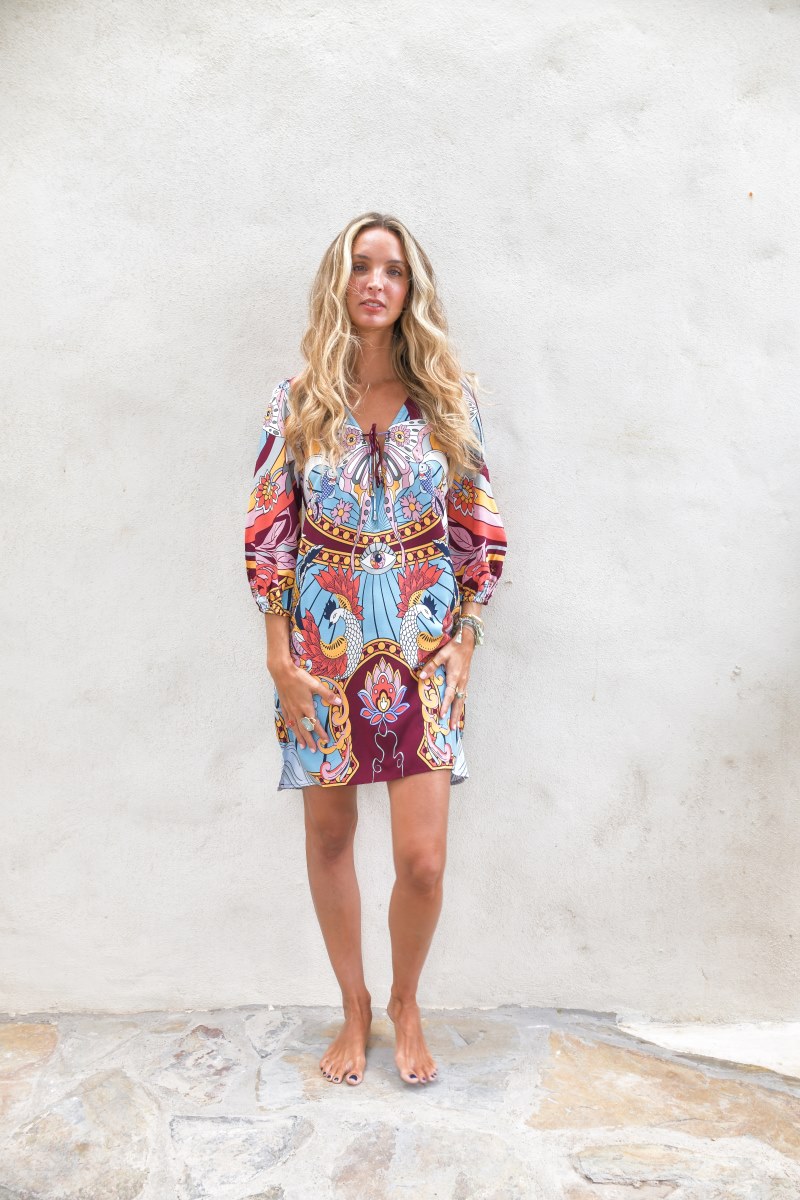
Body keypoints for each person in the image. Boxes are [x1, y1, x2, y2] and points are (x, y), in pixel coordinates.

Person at [244, 211, 508, 1088]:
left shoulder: (448, 399)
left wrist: (466, 642)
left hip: (423, 648)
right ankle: (354, 1005)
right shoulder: (297, 401)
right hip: (322, 647)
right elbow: (270, 534)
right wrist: (280, 660)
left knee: (421, 862)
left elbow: (477, 527)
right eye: (361, 266)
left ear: (411, 289)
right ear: (340, 280)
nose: (376, 283)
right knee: (330, 836)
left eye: (393, 270)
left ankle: (405, 999)